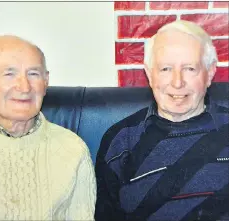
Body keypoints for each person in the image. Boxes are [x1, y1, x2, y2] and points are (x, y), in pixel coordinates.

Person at [95, 20, 229, 221]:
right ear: (149, 74)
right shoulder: (121, 141)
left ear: (209, 73)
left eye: (190, 69)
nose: (177, 82)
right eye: (166, 69)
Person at [0, 35, 96, 220]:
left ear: (45, 83)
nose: (24, 87)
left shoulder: (73, 150)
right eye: (9, 74)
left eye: (33, 74)